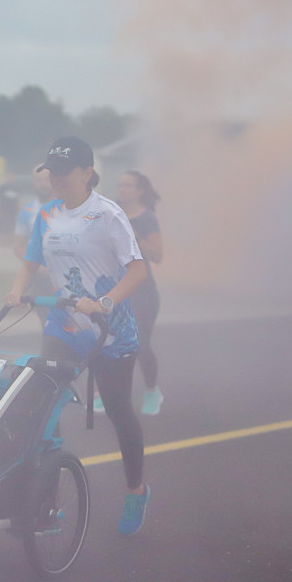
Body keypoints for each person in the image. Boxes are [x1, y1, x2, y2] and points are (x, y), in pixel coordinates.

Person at [4, 136, 150, 536]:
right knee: (40, 406)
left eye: (65, 172)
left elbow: (138, 270)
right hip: (65, 326)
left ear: (87, 173)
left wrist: (104, 302)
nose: (56, 178)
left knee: (119, 411)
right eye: (52, 171)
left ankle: (136, 489)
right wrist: (17, 290)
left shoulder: (107, 214)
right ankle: (44, 503)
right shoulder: (46, 213)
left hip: (110, 330)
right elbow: (30, 263)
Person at [117, 170, 164, 415]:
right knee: (110, 344)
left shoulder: (147, 219)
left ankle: (152, 390)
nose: (121, 189)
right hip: (117, 289)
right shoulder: (112, 213)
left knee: (140, 345)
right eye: (120, 185)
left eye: (127, 185)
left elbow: (158, 255)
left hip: (143, 291)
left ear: (140, 191)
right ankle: (106, 394)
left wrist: (135, 237)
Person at [13, 165, 58, 323]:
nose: (43, 184)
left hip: (65, 276)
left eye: (46, 179)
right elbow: (19, 246)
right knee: (46, 319)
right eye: (39, 180)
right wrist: (36, 267)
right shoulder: (27, 211)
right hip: (41, 278)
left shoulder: (66, 206)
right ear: (33, 182)